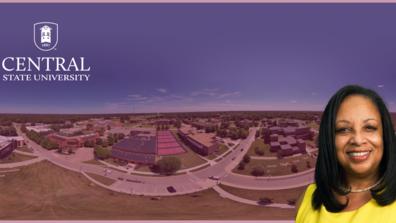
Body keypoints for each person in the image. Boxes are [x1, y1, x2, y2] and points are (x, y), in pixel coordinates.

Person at [296, 85, 396, 223]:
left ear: (385, 136)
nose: (358, 140)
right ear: (329, 139)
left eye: (369, 127)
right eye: (344, 129)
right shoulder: (307, 199)